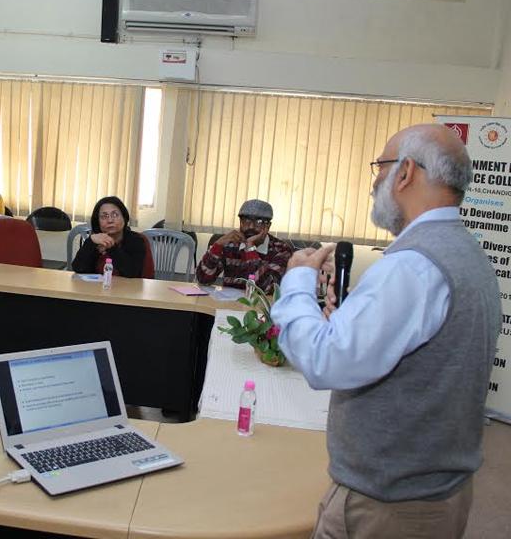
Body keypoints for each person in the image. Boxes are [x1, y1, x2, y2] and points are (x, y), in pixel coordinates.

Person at [271, 124, 501, 539]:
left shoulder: (412, 265)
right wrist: (349, 320)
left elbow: (325, 363)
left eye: (380, 167)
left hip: (387, 509)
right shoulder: (466, 251)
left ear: (406, 172)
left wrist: (298, 280)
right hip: (436, 493)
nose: (374, 182)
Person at [195, 199, 292, 294]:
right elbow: (203, 280)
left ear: (268, 226)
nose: (251, 227)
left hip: (261, 304)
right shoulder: (231, 244)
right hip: (229, 303)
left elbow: (266, 288)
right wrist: (217, 246)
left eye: (258, 222)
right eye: (246, 220)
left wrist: (250, 249)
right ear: (240, 222)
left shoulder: (281, 250)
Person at [71, 196, 148, 278]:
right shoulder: (95, 240)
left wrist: (111, 247)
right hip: (97, 286)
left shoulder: (136, 240)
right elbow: (78, 269)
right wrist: (90, 242)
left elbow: (133, 273)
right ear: (97, 221)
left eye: (115, 215)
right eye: (104, 216)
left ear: (124, 218)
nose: (110, 220)